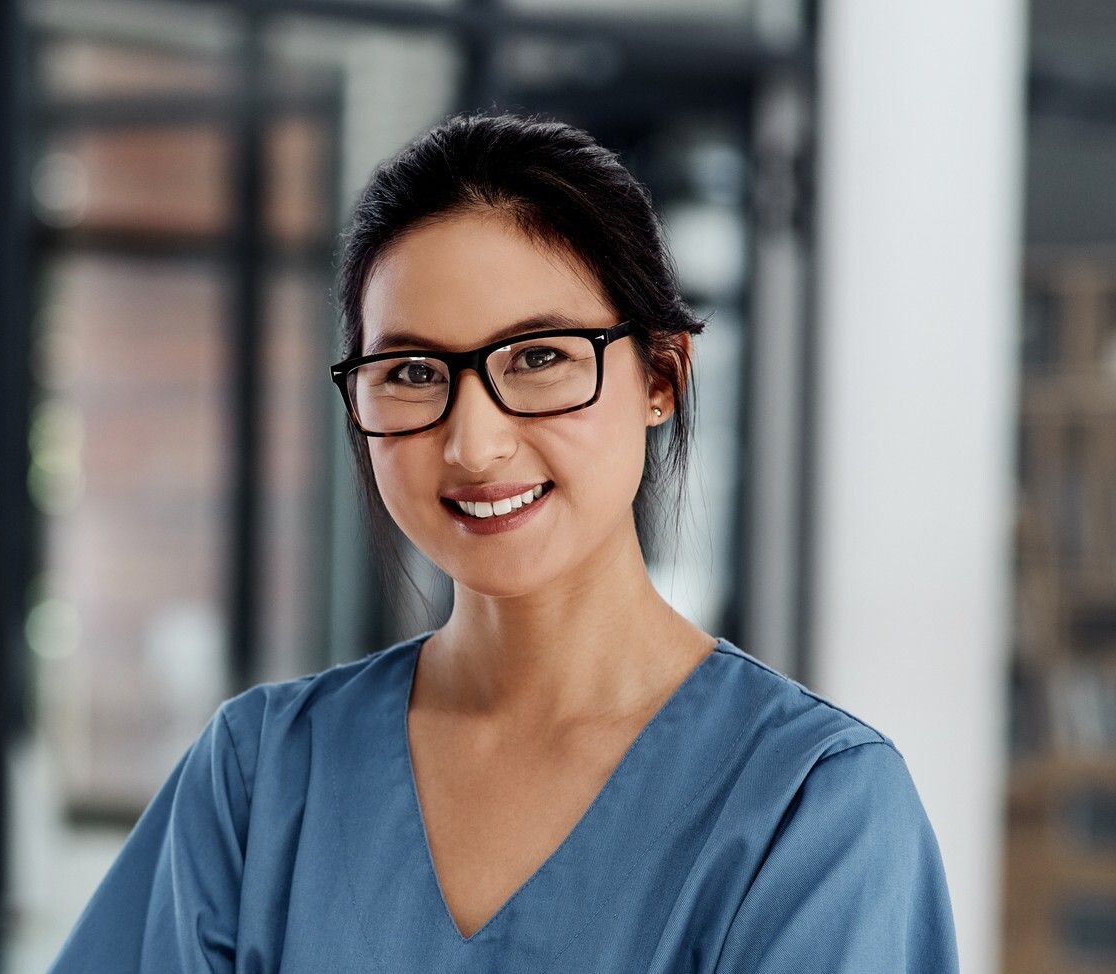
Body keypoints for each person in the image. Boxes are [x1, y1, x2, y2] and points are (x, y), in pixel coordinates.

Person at [48, 114, 958, 971]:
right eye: (410, 371)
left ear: (663, 376)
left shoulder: (814, 807)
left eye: (538, 357)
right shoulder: (261, 779)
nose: (474, 444)